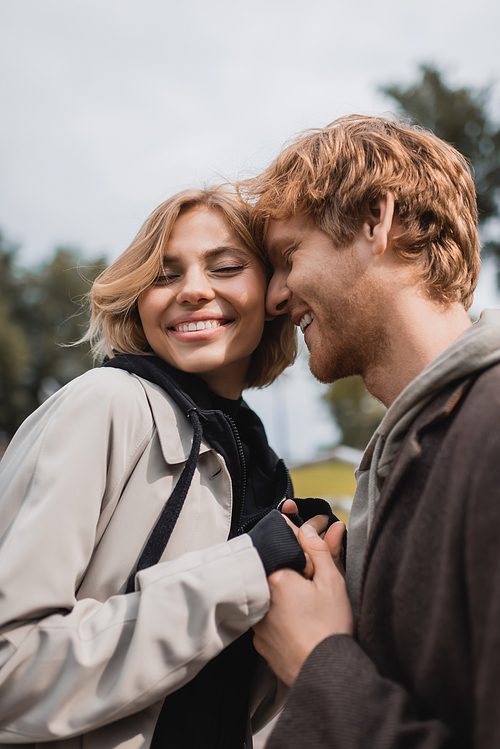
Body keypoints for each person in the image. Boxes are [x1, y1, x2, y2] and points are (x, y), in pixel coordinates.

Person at [0, 187, 331, 749]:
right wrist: (248, 569)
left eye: (226, 267)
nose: (195, 290)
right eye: (163, 275)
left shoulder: (266, 467)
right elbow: (10, 671)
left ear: (274, 293)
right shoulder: (105, 403)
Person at [237, 115, 500, 748]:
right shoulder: (422, 443)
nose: (273, 297)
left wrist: (317, 660)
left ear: (375, 221)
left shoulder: (490, 431)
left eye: (287, 257)